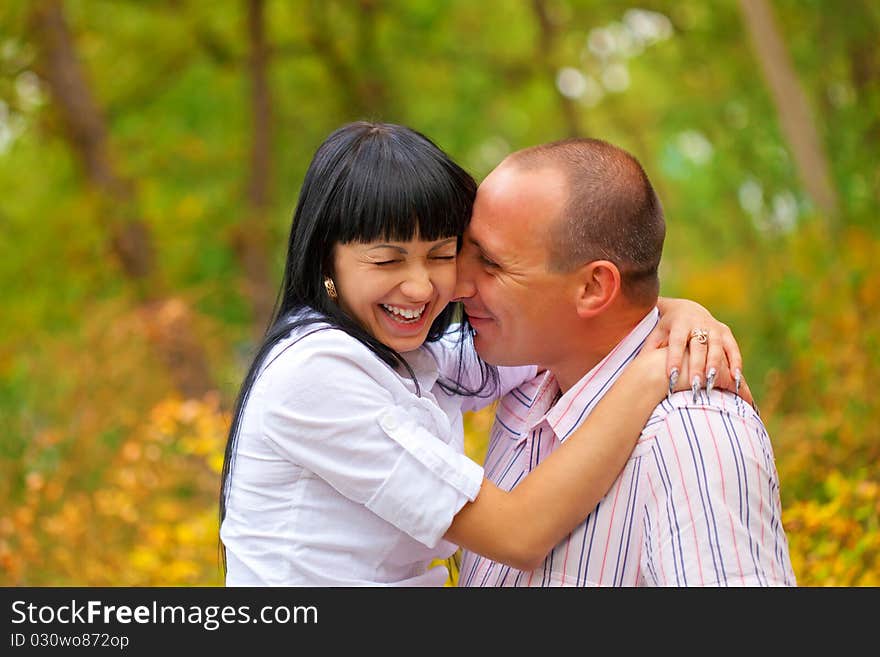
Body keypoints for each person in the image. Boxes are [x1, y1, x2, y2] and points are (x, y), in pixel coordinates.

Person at [218, 121, 746, 586]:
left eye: (443, 256)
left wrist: (672, 314)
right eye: (386, 262)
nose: (422, 288)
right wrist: (656, 372)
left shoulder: (409, 358)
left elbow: (558, 334)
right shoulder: (317, 373)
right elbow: (517, 533)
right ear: (326, 262)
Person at [455, 137, 796, 587]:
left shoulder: (693, 437)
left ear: (594, 288)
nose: (459, 283)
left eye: (492, 264)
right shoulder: (523, 375)